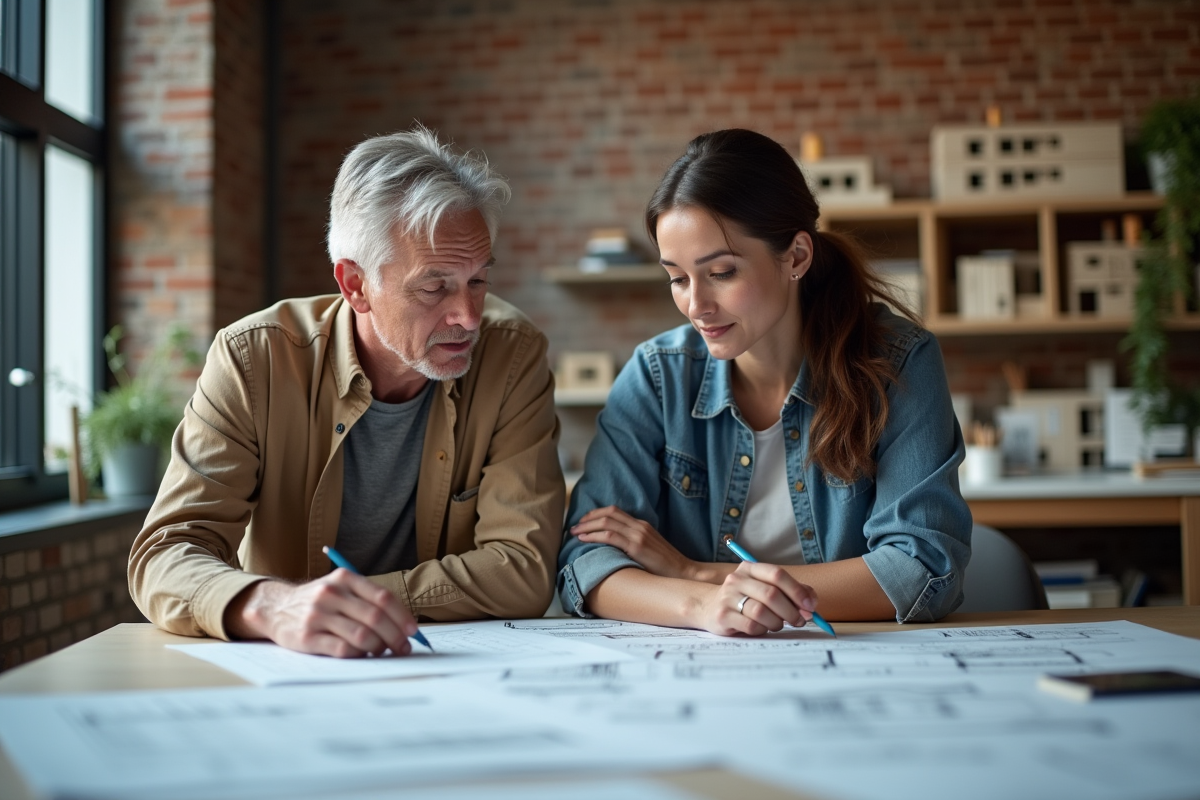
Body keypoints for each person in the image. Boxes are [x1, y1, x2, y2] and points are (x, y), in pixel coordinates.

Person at [130, 126, 565, 657]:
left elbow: (523, 570)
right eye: (435, 287)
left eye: (478, 280)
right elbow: (166, 553)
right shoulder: (254, 359)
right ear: (355, 285)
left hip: (446, 667)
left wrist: (340, 604)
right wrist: (273, 607)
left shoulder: (513, 356)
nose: (468, 317)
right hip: (292, 671)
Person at [558, 129, 971, 636]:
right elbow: (588, 565)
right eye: (678, 278)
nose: (696, 306)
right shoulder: (657, 375)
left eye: (722, 272)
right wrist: (701, 606)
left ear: (796, 256)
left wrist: (698, 573)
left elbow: (921, 568)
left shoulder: (898, 362)